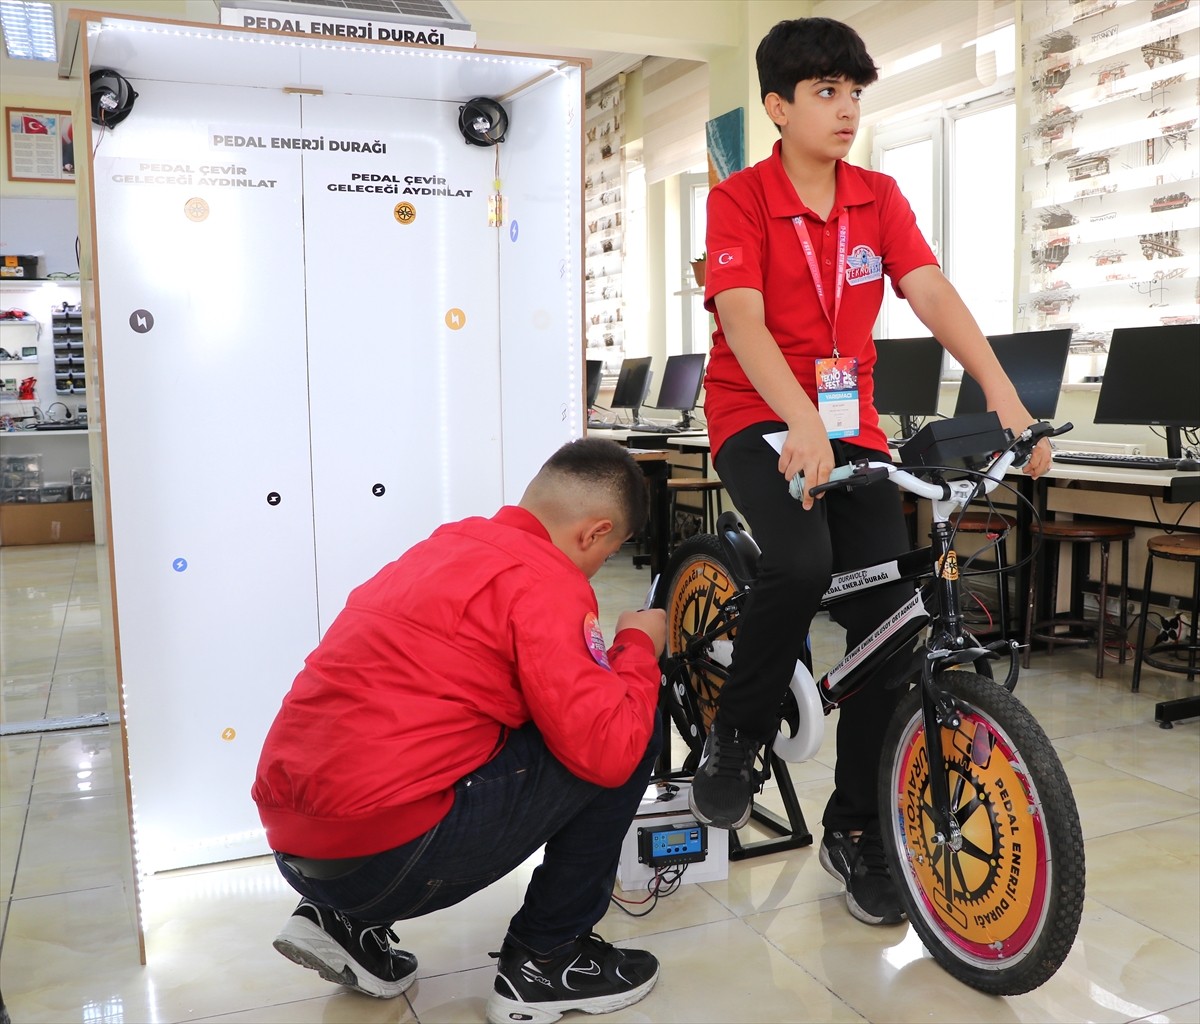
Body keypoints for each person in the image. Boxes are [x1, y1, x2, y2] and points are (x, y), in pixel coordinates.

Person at [690, 17, 1051, 927]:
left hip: (849, 421)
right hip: (756, 414)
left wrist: (1008, 402)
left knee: (888, 614)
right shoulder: (738, 199)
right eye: (825, 93)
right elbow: (742, 320)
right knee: (804, 562)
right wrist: (801, 420)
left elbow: (927, 288)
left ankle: (854, 830)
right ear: (778, 106)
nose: (847, 109)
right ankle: (735, 735)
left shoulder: (877, 196)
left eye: (855, 93)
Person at [252, 437, 668, 1024]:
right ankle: (548, 959)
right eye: (611, 551)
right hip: (387, 859)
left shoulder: (445, 545)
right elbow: (606, 750)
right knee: (630, 723)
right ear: (595, 533)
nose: (600, 567)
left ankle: (339, 921)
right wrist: (636, 648)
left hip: (295, 849)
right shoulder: (547, 581)